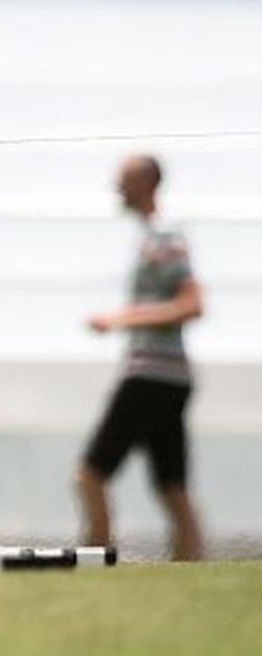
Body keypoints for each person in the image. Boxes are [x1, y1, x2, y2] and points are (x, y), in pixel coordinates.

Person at [76, 154, 206, 561]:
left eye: (124, 180)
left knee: (90, 475)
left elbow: (192, 304)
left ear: (146, 183)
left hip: (151, 375)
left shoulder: (164, 238)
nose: (118, 189)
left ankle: (96, 563)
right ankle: (194, 570)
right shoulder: (154, 236)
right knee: (172, 487)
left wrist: (120, 320)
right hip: (170, 379)